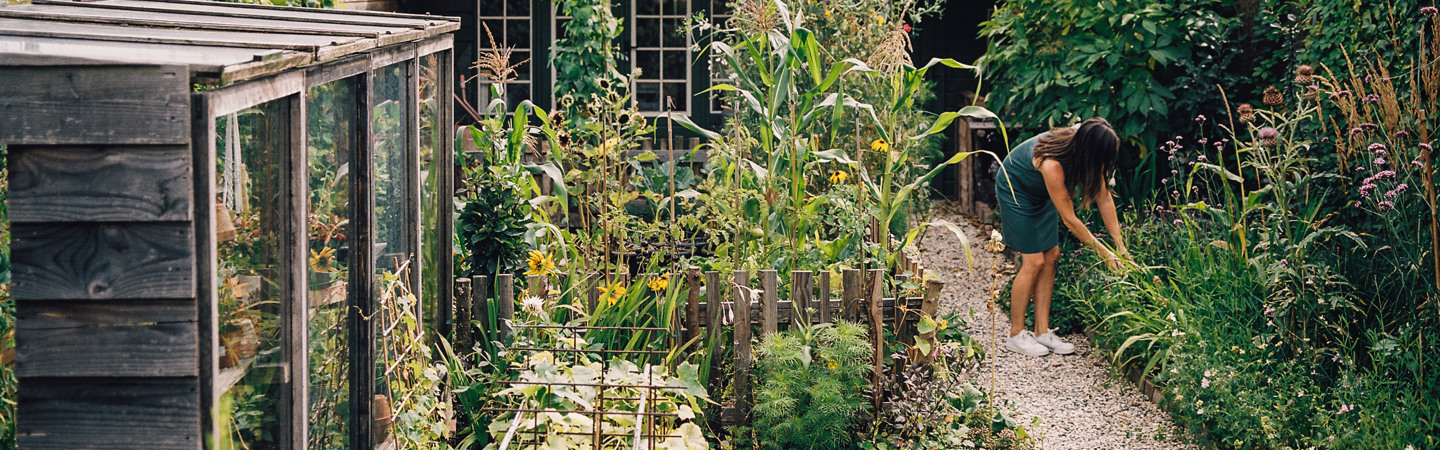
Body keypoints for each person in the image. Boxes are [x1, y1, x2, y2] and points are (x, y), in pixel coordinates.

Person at [994, 117, 1129, 357]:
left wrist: (1120, 246)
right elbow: (1070, 219)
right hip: (1016, 188)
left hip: (1040, 191)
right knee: (1034, 261)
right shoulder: (1052, 165)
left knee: (1052, 256)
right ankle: (1015, 335)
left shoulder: (1086, 144)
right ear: (1088, 151)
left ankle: (1042, 331)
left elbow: (1104, 197)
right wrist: (1105, 253)